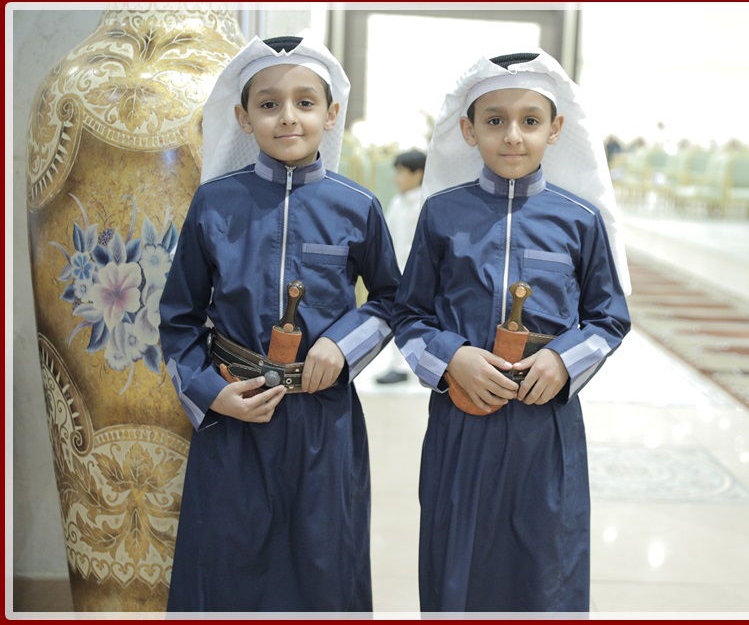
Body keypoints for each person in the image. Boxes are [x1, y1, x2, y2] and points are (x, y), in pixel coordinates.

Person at [159, 35, 400, 612]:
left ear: (331, 114)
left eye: (305, 102)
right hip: (235, 418)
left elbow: (394, 300)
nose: (288, 116)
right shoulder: (214, 203)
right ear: (244, 117)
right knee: (227, 567)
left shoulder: (357, 206)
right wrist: (211, 394)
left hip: (324, 421)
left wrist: (342, 346)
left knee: (323, 565)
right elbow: (178, 319)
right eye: (269, 104)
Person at [390, 50, 631, 612]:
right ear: (468, 130)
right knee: (458, 557)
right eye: (495, 120)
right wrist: (453, 358)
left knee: (544, 566)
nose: (513, 136)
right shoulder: (441, 214)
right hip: (461, 419)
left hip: (545, 427)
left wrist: (564, 360)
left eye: (530, 120)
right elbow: (409, 315)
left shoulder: (580, 219)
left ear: (556, 129)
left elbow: (609, 317)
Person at [376, 149, 427, 384]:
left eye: (402, 172)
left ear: (418, 174)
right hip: (397, 272)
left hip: (419, 276)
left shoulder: (425, 203)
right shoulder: (398, 201)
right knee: (398, 318)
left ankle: (415, 365)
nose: (397, 178)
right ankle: (398, 365)